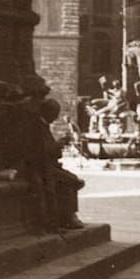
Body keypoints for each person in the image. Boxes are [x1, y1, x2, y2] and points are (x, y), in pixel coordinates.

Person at [29, 98, 86, 231]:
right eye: (54, 113)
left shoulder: (43, 125)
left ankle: (68, 215)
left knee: (70, 181)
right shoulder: (38, 127)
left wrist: (58, 145)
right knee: (72, 181)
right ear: (47, 112)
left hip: (48, 166)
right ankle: (68, 216)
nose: (55, 117)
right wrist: (59, 144)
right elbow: (43, 150)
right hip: (42, 167)